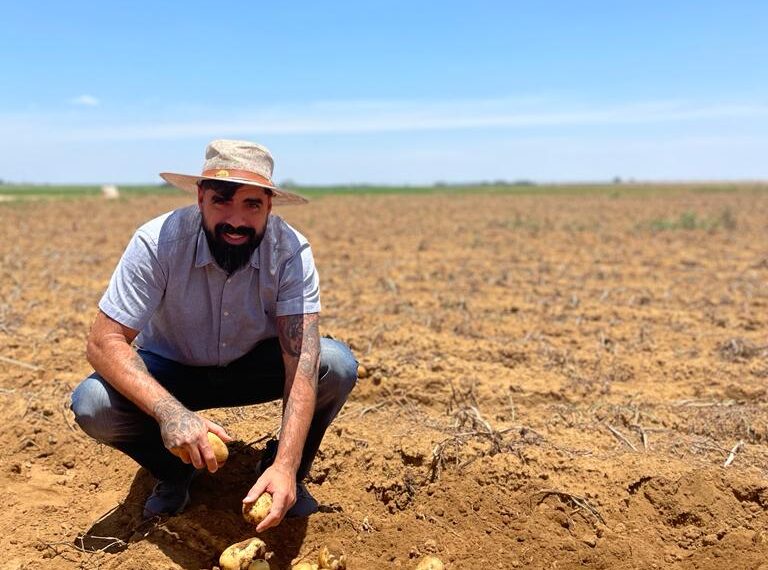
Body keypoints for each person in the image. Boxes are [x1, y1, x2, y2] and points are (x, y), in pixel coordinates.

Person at [70, 139, 358, 531]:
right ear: (201, 197)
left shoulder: (289, 251)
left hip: (251, 367)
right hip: (171, 370)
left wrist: (287, 465)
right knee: (94, 403)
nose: (236, 220)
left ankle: (282, 472)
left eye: (251, 204)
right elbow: (104, 341)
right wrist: (170, 413)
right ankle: (174, 471)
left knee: (334, 364)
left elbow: (301, 364)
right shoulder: (157, 243)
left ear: (269, 207)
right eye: (222, 200)